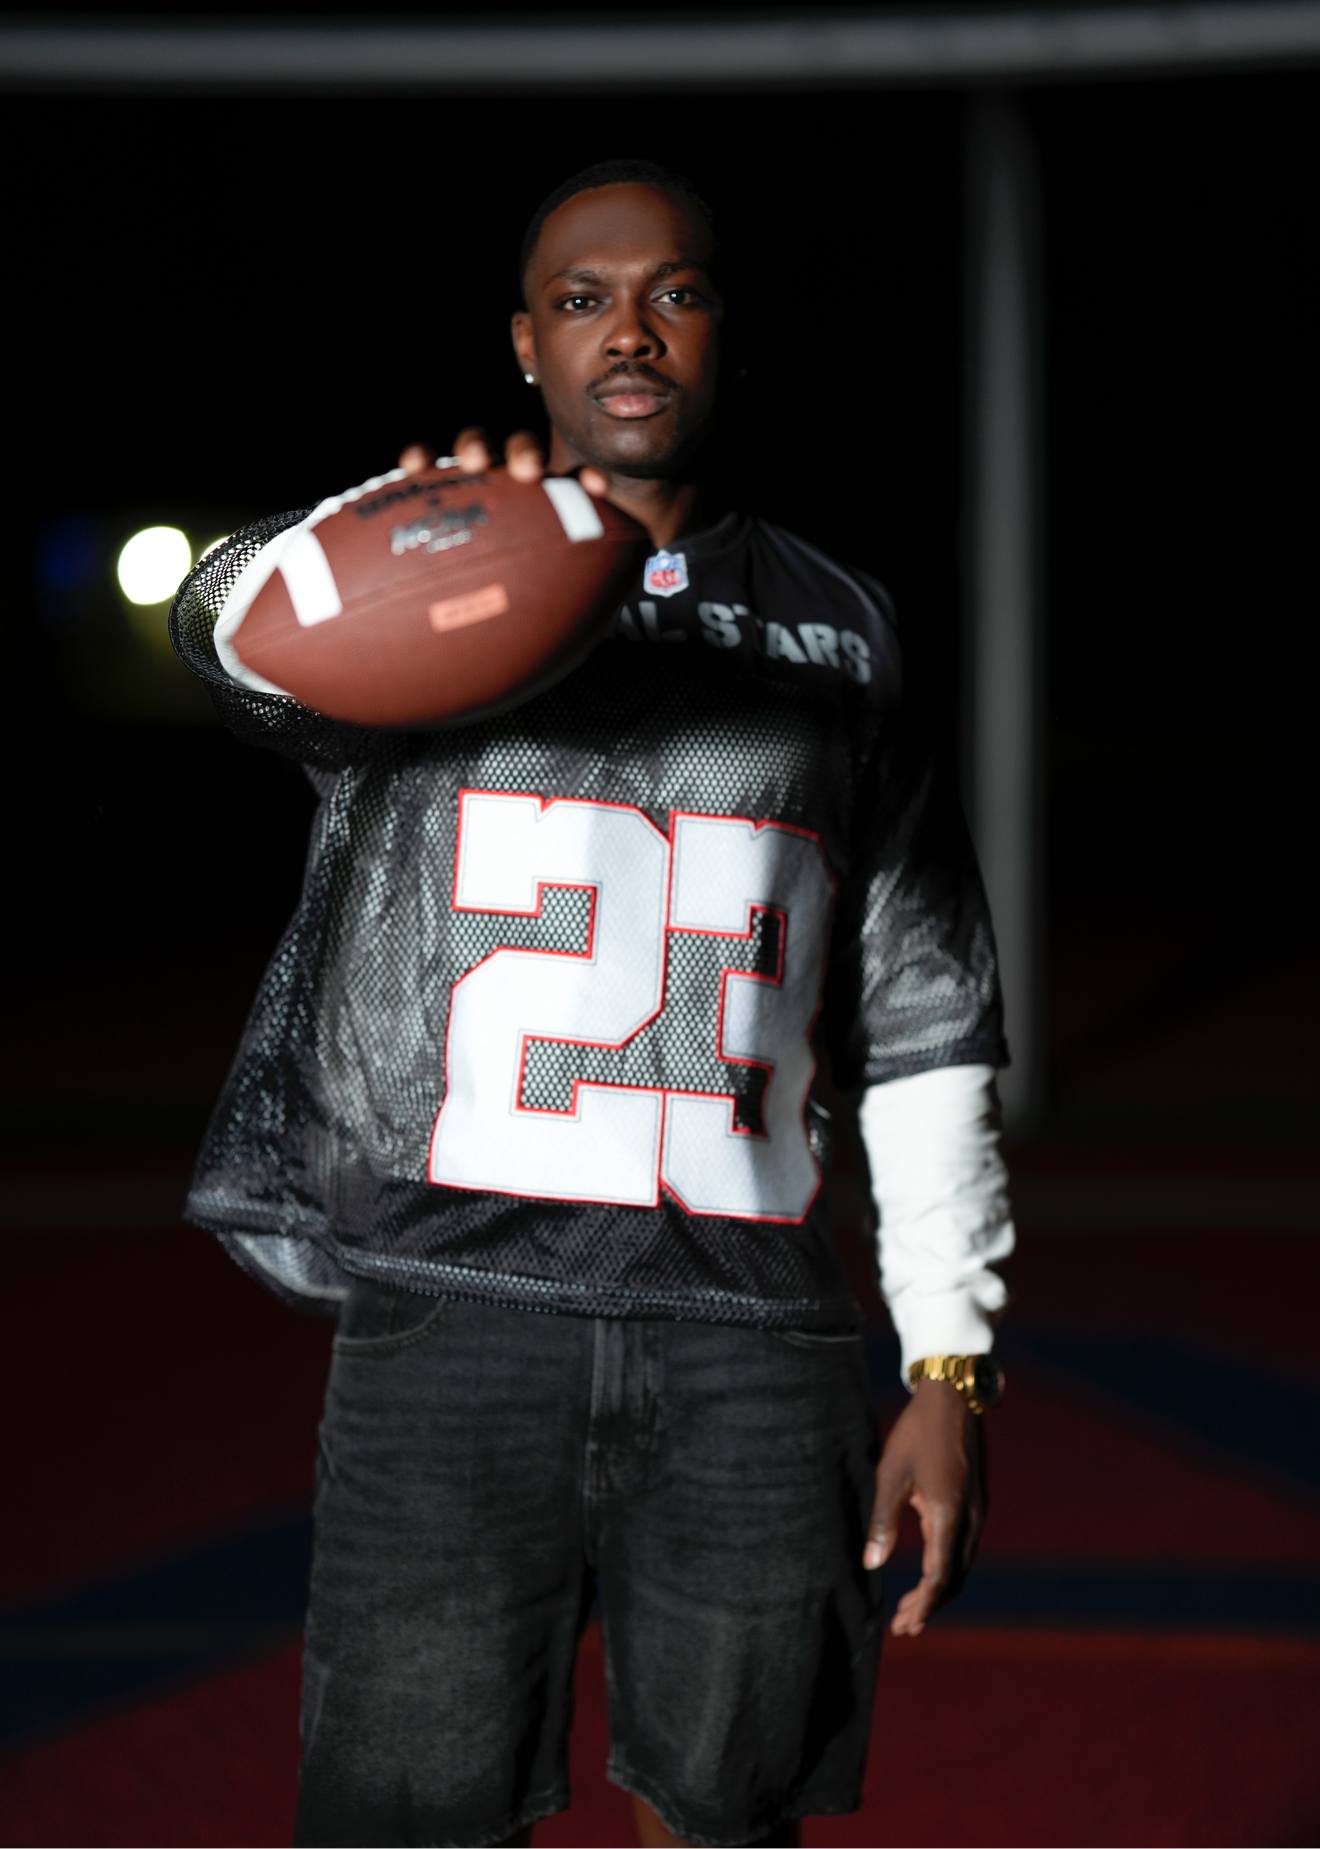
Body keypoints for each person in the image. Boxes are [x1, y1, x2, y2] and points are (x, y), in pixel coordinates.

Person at [171, 158, 1014, 1849]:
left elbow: (923, 1010)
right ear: (526, 346)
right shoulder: (428, 576)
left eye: (673, 293)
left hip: (751, 1330)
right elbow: (228, 640)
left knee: (729, 1820)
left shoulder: (845, 630)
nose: (629, 332)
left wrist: (951, 1362)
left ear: (727, 330)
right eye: (582, 300)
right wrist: (388, 515)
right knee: (405, 1819)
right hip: (452, 1305)